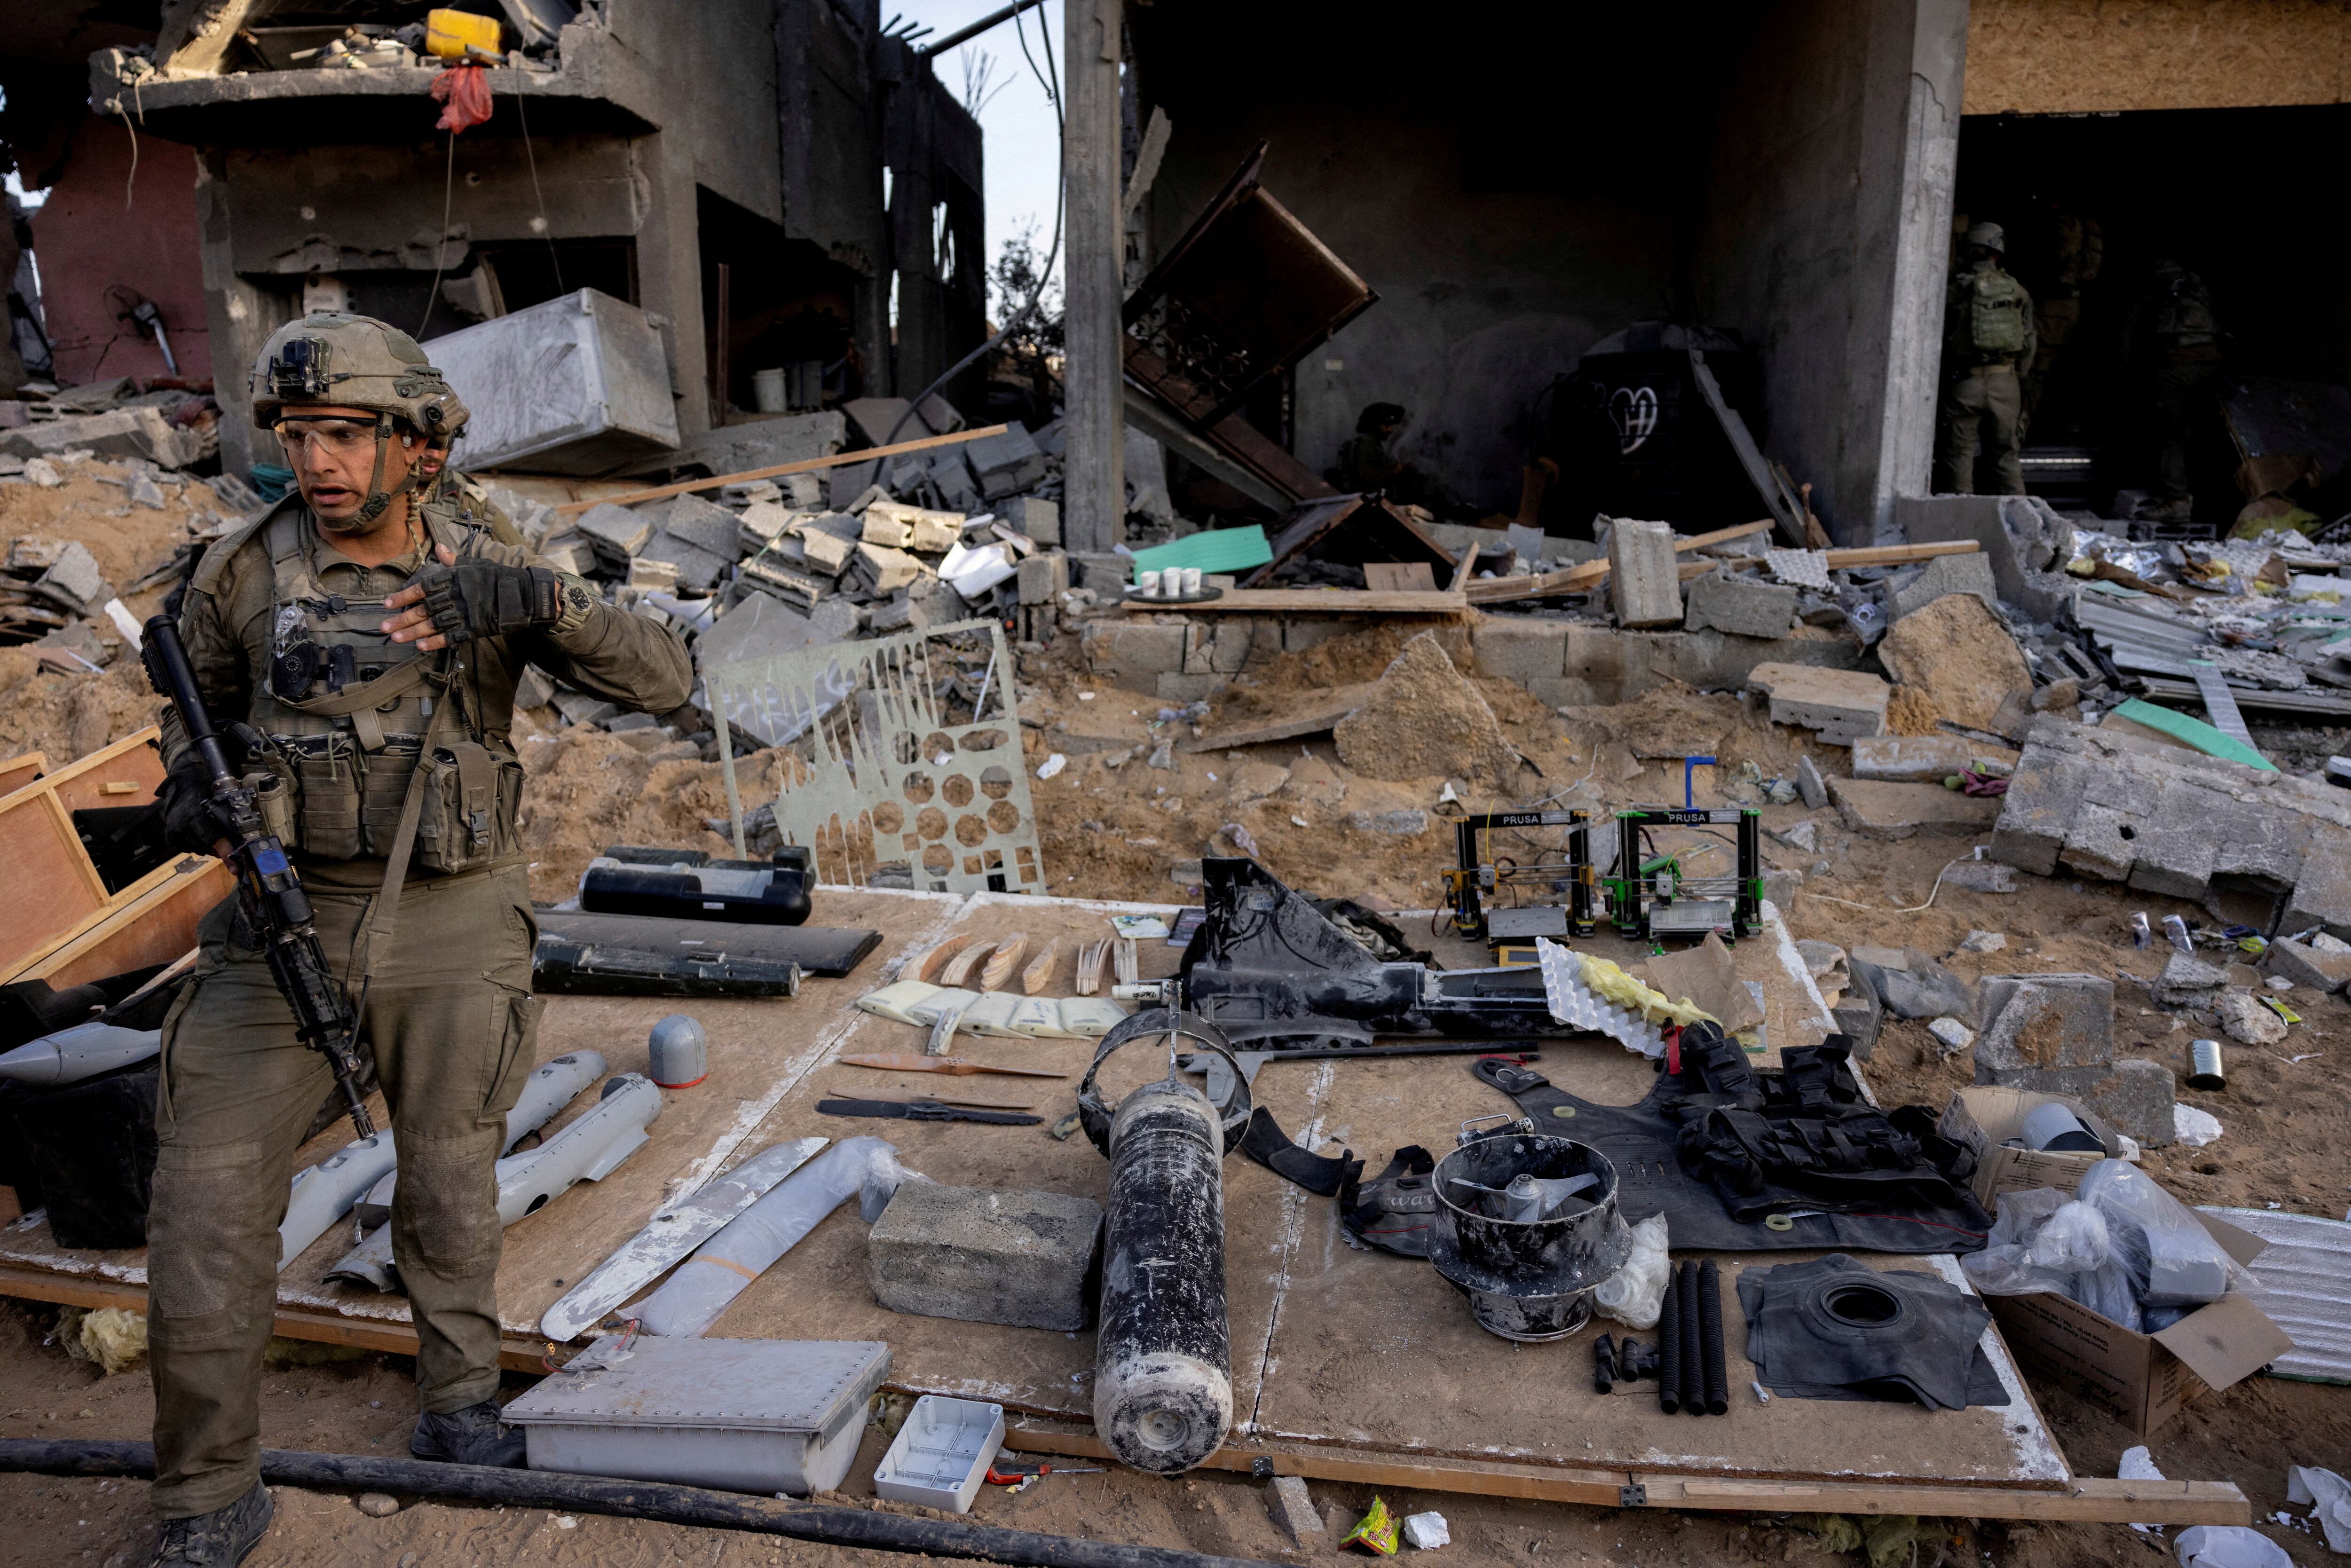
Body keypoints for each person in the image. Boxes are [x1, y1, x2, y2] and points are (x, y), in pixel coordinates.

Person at [142, 311, 691, 1567]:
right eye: (296, 434)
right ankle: (206, 1488)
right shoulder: (236, 571)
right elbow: (197, 718)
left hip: (455, 913)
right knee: (206, 1198)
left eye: (344, 433)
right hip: (283, 920)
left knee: (448, 1177)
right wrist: (189, 787)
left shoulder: (487, 557)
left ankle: (457, 1403)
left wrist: (547, 601)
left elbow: (663, 680)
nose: (317, 460)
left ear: (421, 446)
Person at [1933, 221, 2036, 496]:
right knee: (2005, 456)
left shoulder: (1955, 290)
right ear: (1997, 253)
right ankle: (2020, 523)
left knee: (1959, 455)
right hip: (2006, 383)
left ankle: (1960, 527)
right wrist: (2018, 376)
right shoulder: (2016, 290)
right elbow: (2029, 342)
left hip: (1966, 384)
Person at [2125, 257, 2224, 524]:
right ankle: (2205, 500)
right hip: (2213, 365)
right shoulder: (2201, 290)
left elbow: (2132, 344)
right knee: (2204, 435)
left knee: (2173, 436)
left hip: (2178, 367)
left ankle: (2177, 500)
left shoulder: (2158, 296)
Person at [2019, 199, 2101, 439]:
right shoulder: (2087, 226)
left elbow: (2056, 258)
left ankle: (2021, 427)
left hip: (2055, 302)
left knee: (2037, 365)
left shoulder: (2065, 225)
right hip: (2068, 303)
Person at [1333, 401, 1428, 502]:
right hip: (1367, 500)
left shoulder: (1374, 444)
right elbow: (1366, 474)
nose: (1390, 430)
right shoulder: (1366, 444)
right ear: (1376, 425)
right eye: (1386, 425)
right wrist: (1393, 470)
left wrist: (1401, 468)